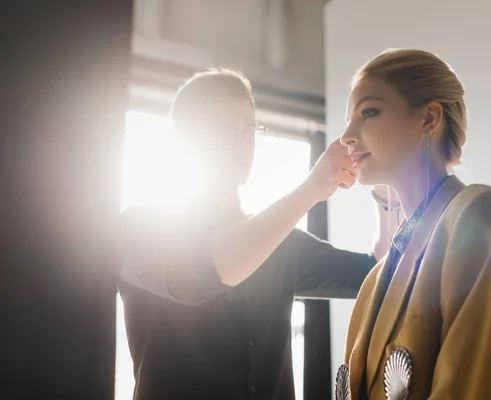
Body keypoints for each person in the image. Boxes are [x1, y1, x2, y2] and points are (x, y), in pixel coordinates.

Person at [118, 68, 398, 400]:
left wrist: (386, 185)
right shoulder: (138, 229)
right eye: (224, 131)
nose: (242, 146)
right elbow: (202, 274)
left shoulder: (281, 241)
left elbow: (380, 273)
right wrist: (309, 190)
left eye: (248, 131)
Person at [335, 49, 491, 400]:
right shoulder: (375, 280)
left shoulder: (484, 218)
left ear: (429, 118)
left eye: (369, 112)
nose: (347, 135)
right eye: (347, 120)